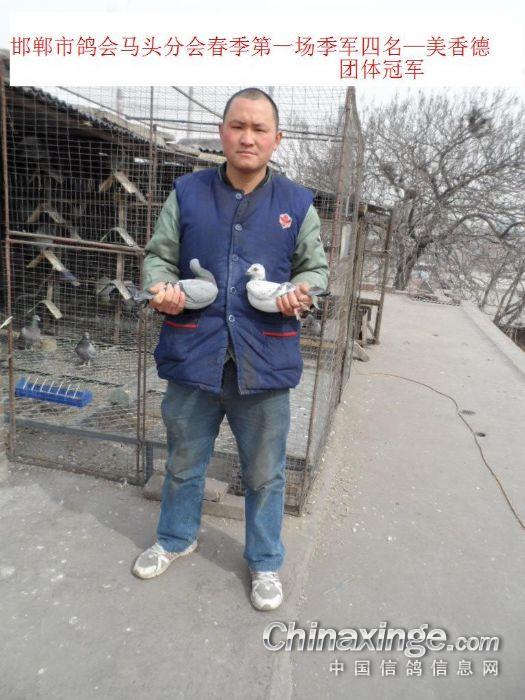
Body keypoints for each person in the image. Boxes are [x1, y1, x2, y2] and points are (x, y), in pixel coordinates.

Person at [132, 88, 329, 611]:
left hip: (264, 360)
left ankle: (264, 561)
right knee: (183, 459)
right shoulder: (188, 192)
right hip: (193, 354)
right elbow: (159, 257)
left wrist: (303, 293)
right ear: (222, 132)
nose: (247, 137)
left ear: (276, 139)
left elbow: (315, 270)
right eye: (237, 126)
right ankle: (176, 537)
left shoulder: (297, 204)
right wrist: (161, 288)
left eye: (259, 129)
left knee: (265, 472)